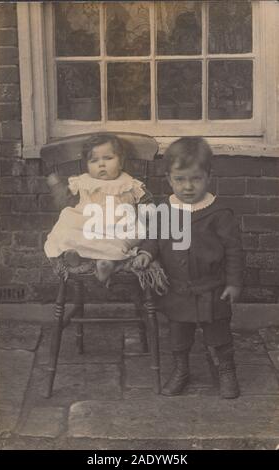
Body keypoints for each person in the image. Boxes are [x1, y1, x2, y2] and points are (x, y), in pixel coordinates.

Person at [133, 137, 244, 399]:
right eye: (180, 179)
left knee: (218, 333)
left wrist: (233, 283)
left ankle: (226, 370)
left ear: (208, 177)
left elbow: (234, 251)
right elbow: (155, 238)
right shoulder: (165, 210)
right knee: (178, 335)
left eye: (196, 179)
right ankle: (181, 370)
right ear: (170, 180)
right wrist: (146, 253)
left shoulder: (219, 213)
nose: (188, 186)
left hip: (211, 287)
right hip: (178, 288)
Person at [44, 133, 155, 286]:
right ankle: (74, 255)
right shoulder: (83, 182)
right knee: (67, 223)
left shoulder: (130, 183)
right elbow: (65, 201)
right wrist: (58, 187)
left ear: (121, 162)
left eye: (108, 158)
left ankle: (106, 264)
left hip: (117, 228)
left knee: (123, 240)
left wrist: (147, 210)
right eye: (94, 160)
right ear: (87, 165)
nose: (101, 164)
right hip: (88, 225)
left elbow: (146, 202)